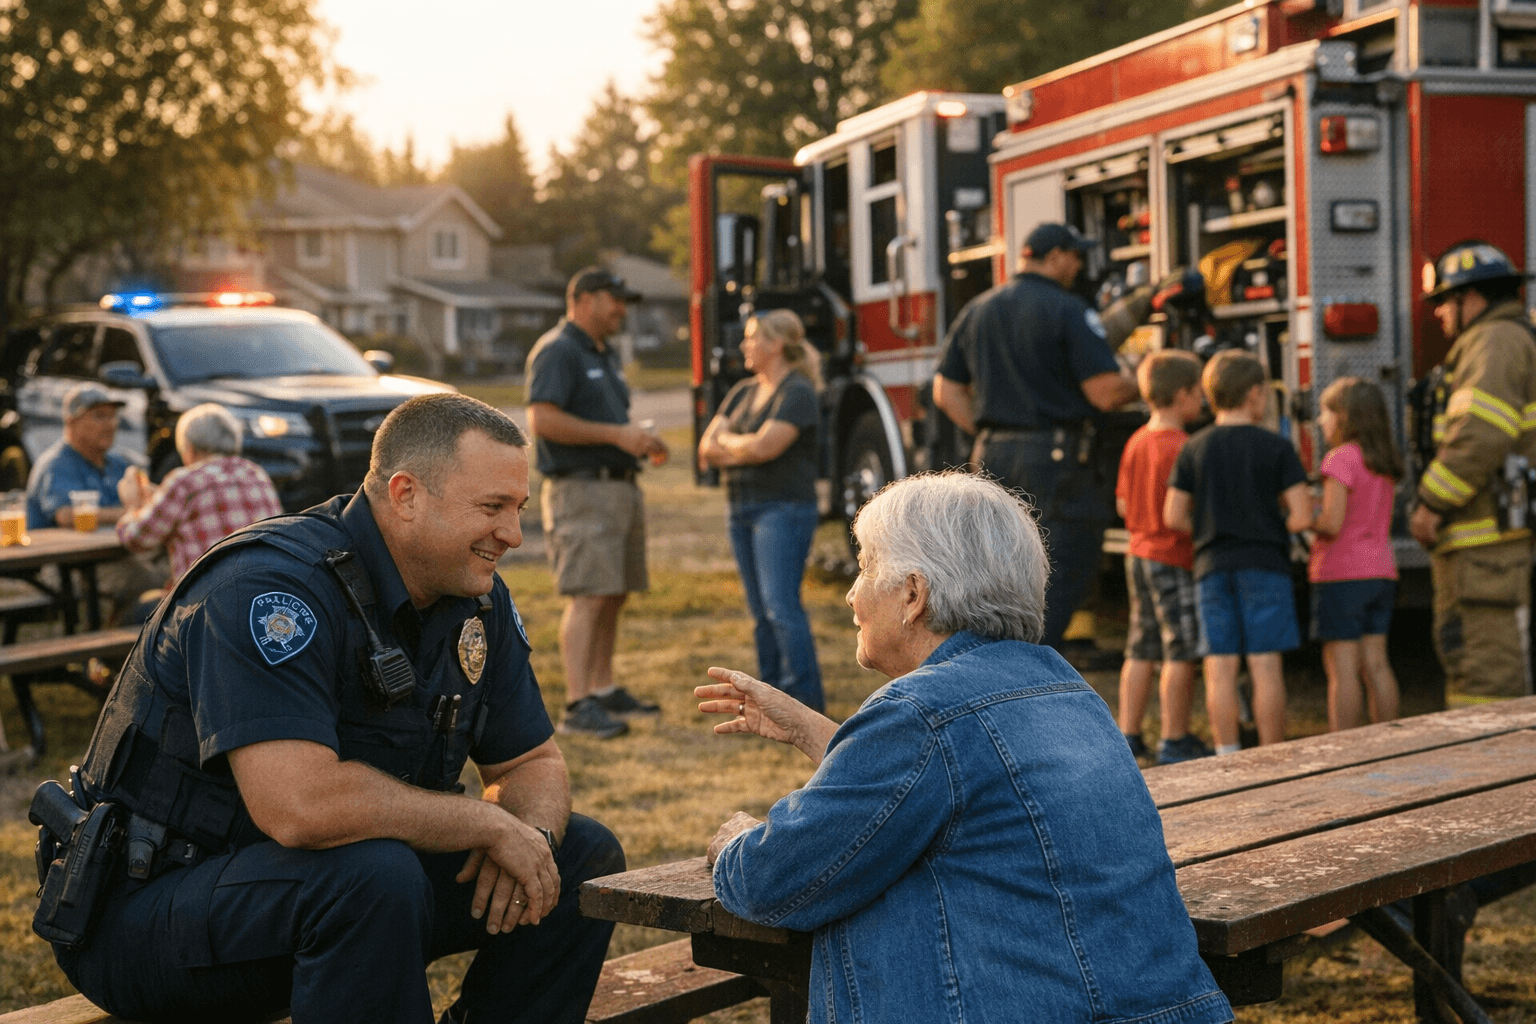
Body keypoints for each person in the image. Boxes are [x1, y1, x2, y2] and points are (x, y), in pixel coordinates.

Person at [44, 393, 626, 1024]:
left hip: (328, 892)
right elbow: (300, 807)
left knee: (579, 857)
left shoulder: (471, 595)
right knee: (373, 876)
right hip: (151, 909)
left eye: (517, 508)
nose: (512, 535)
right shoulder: (269, 590)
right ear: (405, 495)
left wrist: (530, 841)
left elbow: (533, 759)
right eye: (492, 508)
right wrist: (486, 826)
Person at [693, 472, 1232, 1024]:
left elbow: (777, 878)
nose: (853, 594)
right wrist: (810, 729)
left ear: (913, 594)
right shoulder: (1066, 688)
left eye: (865, 567)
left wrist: (740, 841)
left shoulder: (920, 714)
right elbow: (942, 785)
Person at [931, 222, 1139, 662]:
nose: (1079, 266)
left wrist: (991, 432)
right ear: (1055, 256)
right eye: (1076, 256)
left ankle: (986, 667)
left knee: (997, 572)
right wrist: (1143, 378)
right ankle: (1026, 676)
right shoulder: (1068, 309)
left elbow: (945, 392)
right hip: (1056, 463)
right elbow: (1104, 392)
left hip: (991, 456)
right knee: (1055, 572)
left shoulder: (978, 309)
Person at [526, 267, 668, 740]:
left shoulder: (602, 354)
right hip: (581, 489)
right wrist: (617, 435)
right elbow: (543, 419)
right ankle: (576, 703)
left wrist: (640, 441)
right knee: (588, 595)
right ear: (583, 299)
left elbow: (605, 420)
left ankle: (602, 689)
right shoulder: (558, 350)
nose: (621, 310)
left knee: (613, 590)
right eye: (614, 299)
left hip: (617, 486)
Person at [1165, 350, 1310, 751]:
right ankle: (1271, 752)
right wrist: (1268, 524)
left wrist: (1209, 529)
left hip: (1212, 566)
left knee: (1219, 667)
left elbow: (1173, 515)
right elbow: (1300, 515)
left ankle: (1226, 754)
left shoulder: (1194, 447)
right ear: (1255, 395)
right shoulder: (1276, 447)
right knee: (1265, 665)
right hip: (1266, 566)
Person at [1411, 240, 1536, 701]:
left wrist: (1430, 504)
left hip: (1485, 550)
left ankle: (1494, 770)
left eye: (1445, 301)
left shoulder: (1493, 341)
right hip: (1487, 548)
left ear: (1473, 297)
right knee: (1472, 670)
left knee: (1487, 683)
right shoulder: (1502, 339)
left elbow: (1479, 434)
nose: (1440, 314)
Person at [697, 309, 825, 711]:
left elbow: (764, 448)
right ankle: (769, 696)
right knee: (759, 611)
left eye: (751, 337)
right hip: (742, 508)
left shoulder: (797, 391)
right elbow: (705, 450)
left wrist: (734, 443)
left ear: (775, 344)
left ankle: (803, 700)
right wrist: (746, 447)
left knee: (781, 608)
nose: (743, 345)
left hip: (783, 509)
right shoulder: (742, 391)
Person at [1115, 349, 1211, 764]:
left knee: (1140, 646)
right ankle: (1175, 737)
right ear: (1183, 394)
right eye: (1198, 393)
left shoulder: (1136, 441)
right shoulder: (1183, 447)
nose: (1203, 401)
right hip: (1173, 556)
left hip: (1137, 553)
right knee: (1180, 649)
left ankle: (1129, 734)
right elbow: (1185, 511)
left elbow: (1121, 503)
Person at [115, 402, 284, 598]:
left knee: (138, 606)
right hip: (262, 595)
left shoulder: (184, 481)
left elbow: (137, 539)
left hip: (204, 606)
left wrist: (132, 506)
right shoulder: (256, 473)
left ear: (189, 447)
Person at [1310, 377, 1403, 731]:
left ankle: (1343, 749)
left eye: (1325, 412)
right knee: (1377, 664)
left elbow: (1332, 523)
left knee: (1342, 669)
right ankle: (1387, 740)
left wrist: (1305, 518)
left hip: (1341, 574)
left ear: (1344, 417)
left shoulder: (1341, 459)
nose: (1320, 421)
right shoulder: (1383, 460)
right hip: (1381, 571)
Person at [25, 382, 136, 530]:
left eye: (113, 416)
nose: (110, 424)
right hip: (64, 552)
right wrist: (131, 513)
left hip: (112, 550)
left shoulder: (118, 464)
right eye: (100, 416)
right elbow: (66, 515)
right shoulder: (57, 464)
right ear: (72, 422)